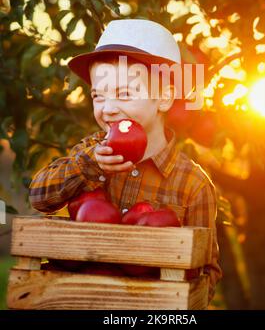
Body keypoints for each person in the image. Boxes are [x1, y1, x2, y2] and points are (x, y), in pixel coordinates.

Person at [29, 18, 222, 303]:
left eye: (124, 94)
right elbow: (39, 197)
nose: (108, 109)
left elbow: (207, 274)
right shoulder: (91, 153)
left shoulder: (192, 185)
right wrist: (89, 165)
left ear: (164, 98)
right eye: (98, 95)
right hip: (77, 300)